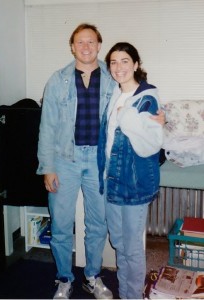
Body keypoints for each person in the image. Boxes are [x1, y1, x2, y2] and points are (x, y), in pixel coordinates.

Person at [37, 23, 165, 299]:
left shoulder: (113, 78)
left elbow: (140, 96)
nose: (86, 47)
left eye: (91, 42)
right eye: (80, 42)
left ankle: (92, 276)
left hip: (99, 161)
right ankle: (64, 278)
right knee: (60, 223)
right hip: (64, 160)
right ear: (72, 47)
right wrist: (47, 167)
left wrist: (162, 117)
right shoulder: (57, 80)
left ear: (98, 46)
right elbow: (46, 127)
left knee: (98, 224)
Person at [97, 42, 164, 299]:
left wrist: (127, 117)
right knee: (120, 244)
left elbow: (152, 144)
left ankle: (132, 295)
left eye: (125, 61)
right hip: (111, 181)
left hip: (133, 183)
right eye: (113, 62)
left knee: (132, 249)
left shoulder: (147, 97)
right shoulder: (115, 93)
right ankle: (127, 293)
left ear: (136, 64)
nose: (118, 67)